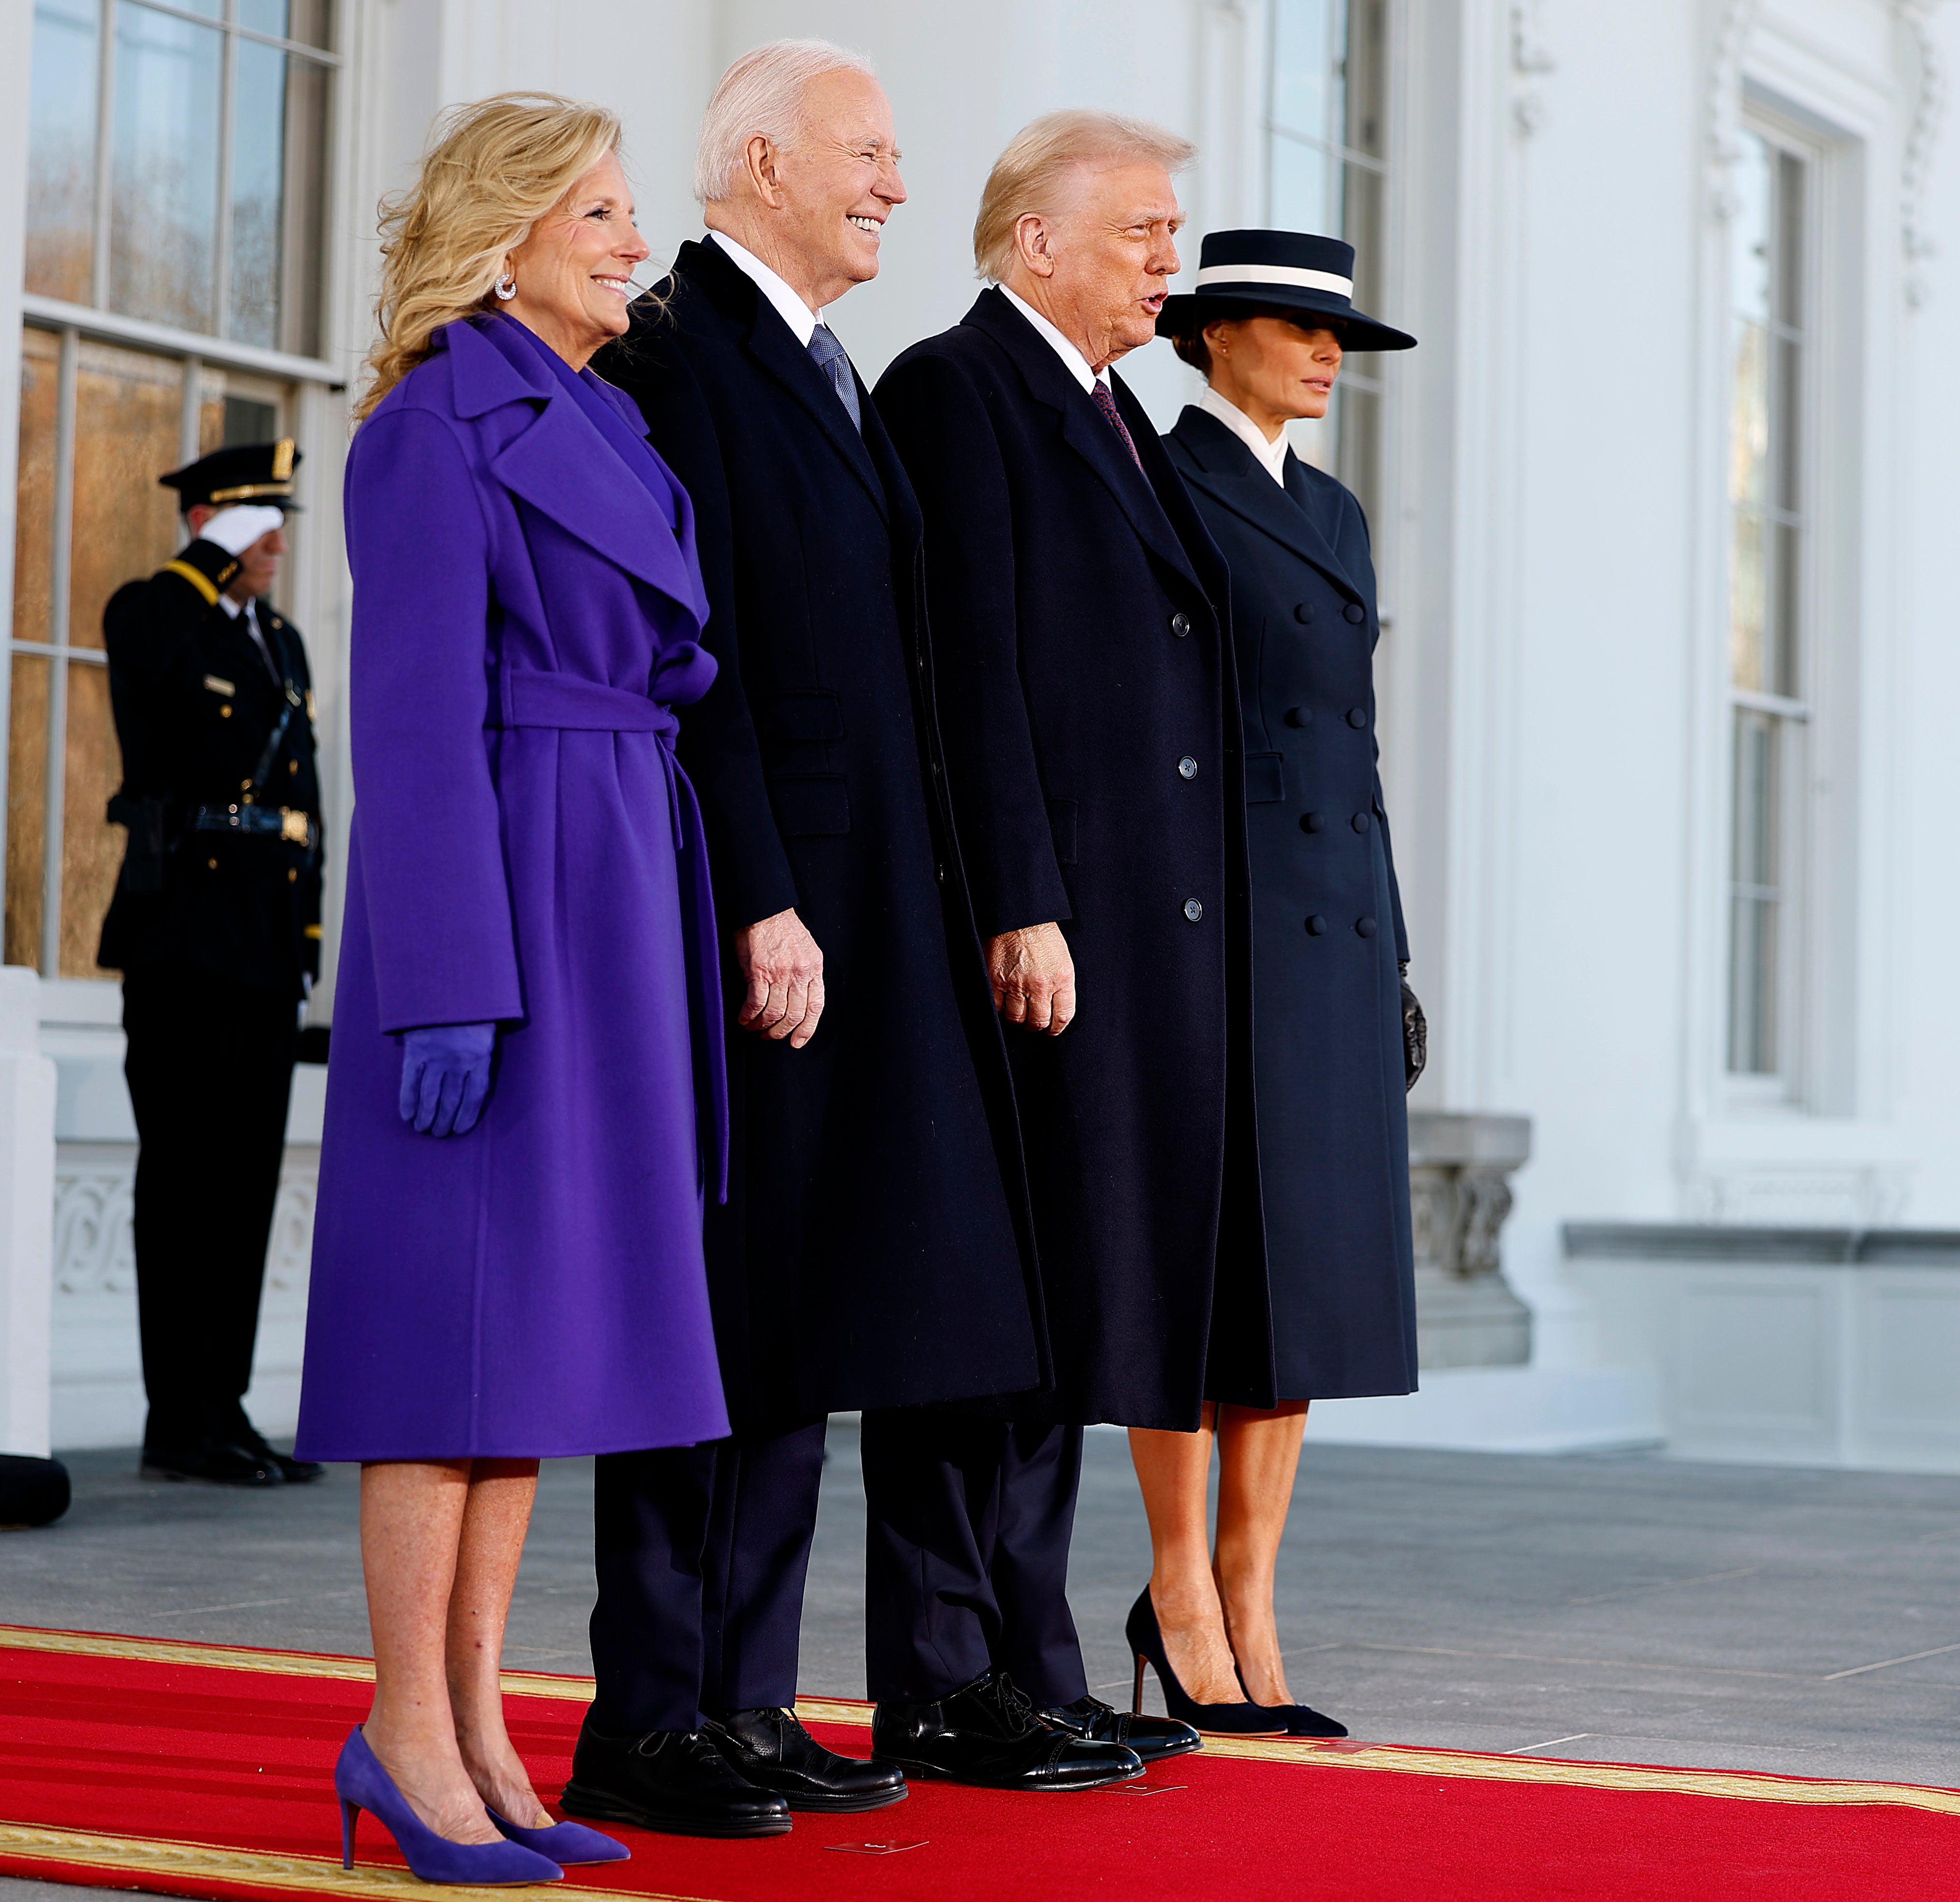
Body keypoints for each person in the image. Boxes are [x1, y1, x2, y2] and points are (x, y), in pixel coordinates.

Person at [573, 42, 1138, 1831]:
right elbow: (699, 656)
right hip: (777, 912)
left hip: (881, 910)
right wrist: (758, 893)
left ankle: (743, 1696)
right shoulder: (680, 353)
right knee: (729, 1312)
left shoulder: (824, 368)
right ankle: (651, 1705)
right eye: (869, 153)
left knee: (809, 1316)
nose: (900, 182)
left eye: (901, 156)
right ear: (753, 158)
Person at [292, 93, 731, 1887]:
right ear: (512, 229)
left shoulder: (608, 421)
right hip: (495, 898)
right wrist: (450, 985)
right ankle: (406, 1730)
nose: (637, 240)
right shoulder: (426, 430)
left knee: (532, 1336)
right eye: (607, 211)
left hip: (611, 875)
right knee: (443, 1343)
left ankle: (476, 1724)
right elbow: (404, 724)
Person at [868, 111, 1276, 1759]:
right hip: (1033, 933)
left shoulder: (1114, 411)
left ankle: (1030, 1653)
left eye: (1172, 233)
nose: (1167, 260)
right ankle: (941, 1671)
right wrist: (1022, 898)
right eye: (1141, 231)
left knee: (1069, 1307)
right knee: (984, 1304)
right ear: (1034, 239)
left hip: (1139, 932)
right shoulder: (953, 390)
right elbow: (967, 671)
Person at [1142, 229, 1427, 1739]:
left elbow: (1358, 751)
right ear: (1218, 334)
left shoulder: (1333, 507)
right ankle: (1180, 1591)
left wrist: (1395, 947)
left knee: (1302, 1282)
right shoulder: (1159, 481)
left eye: (1341, 339)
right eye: (1304, 331)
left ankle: (1254, 1598)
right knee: (1205, 1272)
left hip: (1332, 925)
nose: (1329, 358)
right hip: (1220, 918)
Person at [97, 439, 324, 1488]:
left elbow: (305, 808)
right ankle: (175, 1414)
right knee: (185, 1180)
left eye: (276, 519)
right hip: (184, 936)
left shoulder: (279, 642)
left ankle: (224, 1405)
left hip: (265, 945)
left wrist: (309, 935)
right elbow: (153, 665)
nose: (275, 538)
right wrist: (201, 559)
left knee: (243, 1186)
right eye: (253, 520)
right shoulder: (156, 609)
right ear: (207, 525)